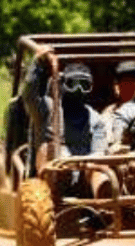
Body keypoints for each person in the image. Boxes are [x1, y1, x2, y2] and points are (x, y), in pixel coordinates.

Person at [22, 51, 108, 196]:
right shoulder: (48, 109)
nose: (78, 90)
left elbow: (98, 153)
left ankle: (105, 199)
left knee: (101, 164)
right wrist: (37, 64)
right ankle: (55, 189)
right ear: (62, 85)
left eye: (84, 85)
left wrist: (87, 165)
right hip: (51, 181)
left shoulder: (95, 119)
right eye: (73, 84)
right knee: (47, 149)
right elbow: (29, 96)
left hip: (84, 179)